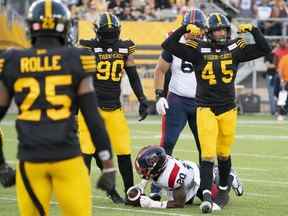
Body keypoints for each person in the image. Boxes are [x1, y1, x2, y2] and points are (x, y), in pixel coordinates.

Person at [0, 0, 115, 215]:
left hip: (31, 160)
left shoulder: (12, 60)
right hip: (68, 158)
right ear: (65, 27)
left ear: (31, 26)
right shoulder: (76, 58)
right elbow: (92, 117)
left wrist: (1, 165)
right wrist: (108, 166)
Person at [161, 13, 270, 213]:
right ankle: (205, 192)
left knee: (224, 153)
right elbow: (168, 45)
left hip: (228, 108)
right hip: (205, 108)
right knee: (208, 153)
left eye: (224, 29)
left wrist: (254, 30)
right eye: (218, 29)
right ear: (209, 32)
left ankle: (222, 189)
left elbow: (265, 48)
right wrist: (184, 30)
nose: (221, 32)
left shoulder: (235, 48)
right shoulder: (198, 49)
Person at [78, 12, 149, 203]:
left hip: (96, 107)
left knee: (90, 150)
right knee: (121, 152)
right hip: (106, 108)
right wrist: (142, 98)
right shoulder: (125, 47)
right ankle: (126, 192)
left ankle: (125, 193)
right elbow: (133, 76)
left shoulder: (87, 46)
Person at [151, 8, 206, 201]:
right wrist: (159, 96)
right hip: (178, 100)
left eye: (198, 27)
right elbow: (160, 71)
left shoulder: (209, 45)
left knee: (205, 147)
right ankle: (156, 186)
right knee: (167, 143)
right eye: (190, 27)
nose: (194, 30)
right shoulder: (174, 44)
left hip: (203, 102)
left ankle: (205, 187)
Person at [126, 145, 243, 210]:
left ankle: (229, 176)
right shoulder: (161, 162)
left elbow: (179, 203)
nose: (141, 171)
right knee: (188, 201)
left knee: (220, 200)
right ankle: (215, 172)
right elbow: (150, 173)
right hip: (186, 177)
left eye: (144, 168)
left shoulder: (171, 177)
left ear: (156, 166)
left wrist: (152, 204)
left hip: (197, 182)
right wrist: (141, 187)